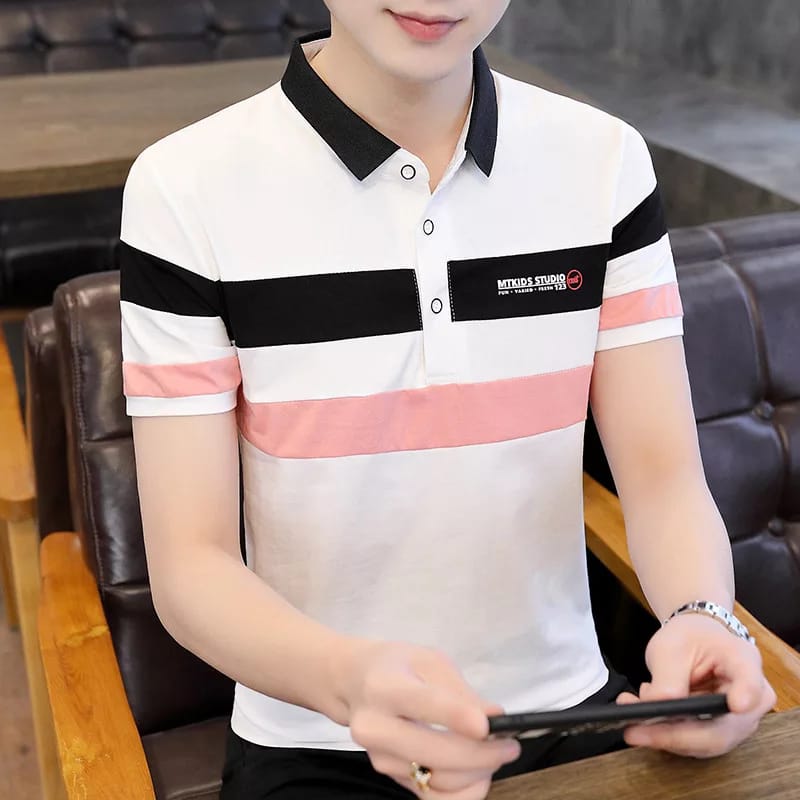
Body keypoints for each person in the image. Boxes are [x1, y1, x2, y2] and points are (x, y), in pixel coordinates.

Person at [118, 2, 776, 798]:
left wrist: (705, 616)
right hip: (317, 735)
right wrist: (349, 681)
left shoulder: (604, 161)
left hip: (570, 716)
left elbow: (664, 478)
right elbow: (191, 565)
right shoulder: (185, 187)